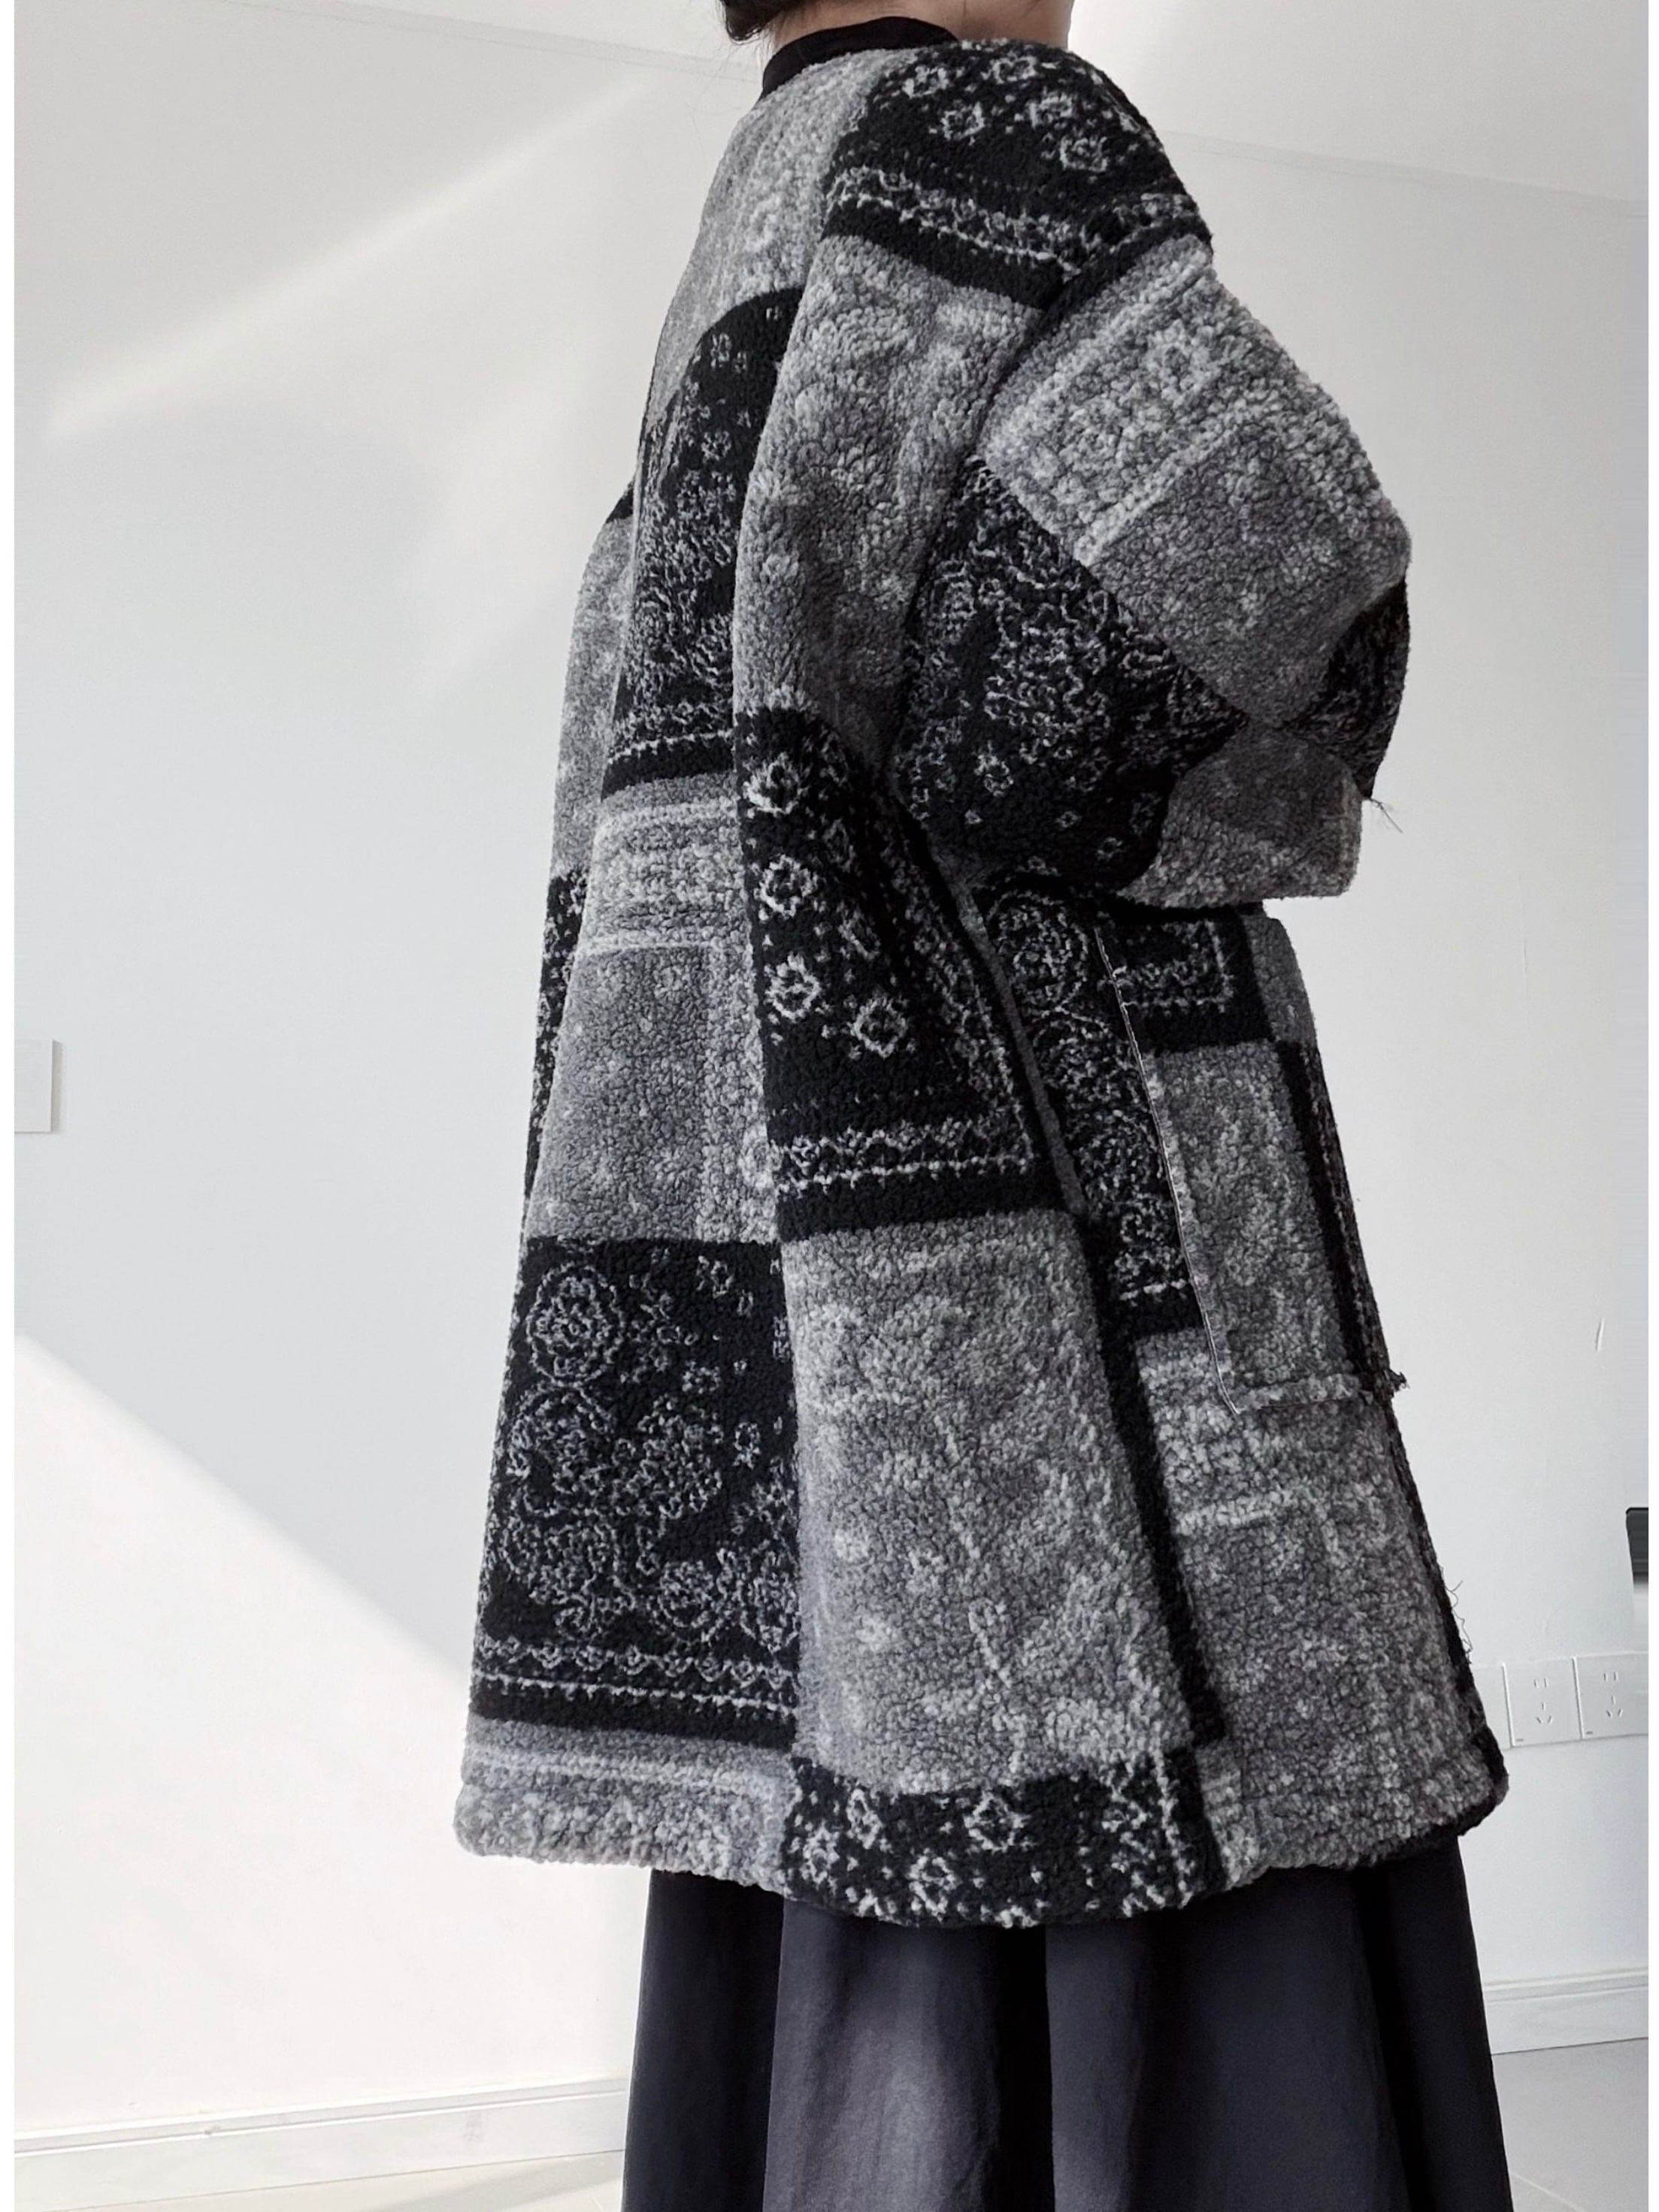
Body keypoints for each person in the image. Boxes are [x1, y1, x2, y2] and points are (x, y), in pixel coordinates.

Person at [454, 2, 1518, 2204]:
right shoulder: (995, 126)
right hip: (1074, 1285)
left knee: (879, 1914)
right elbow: (1196, 607)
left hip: (825, 1296)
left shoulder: (755, 215)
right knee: (1206, 1904)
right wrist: (1284, 767)